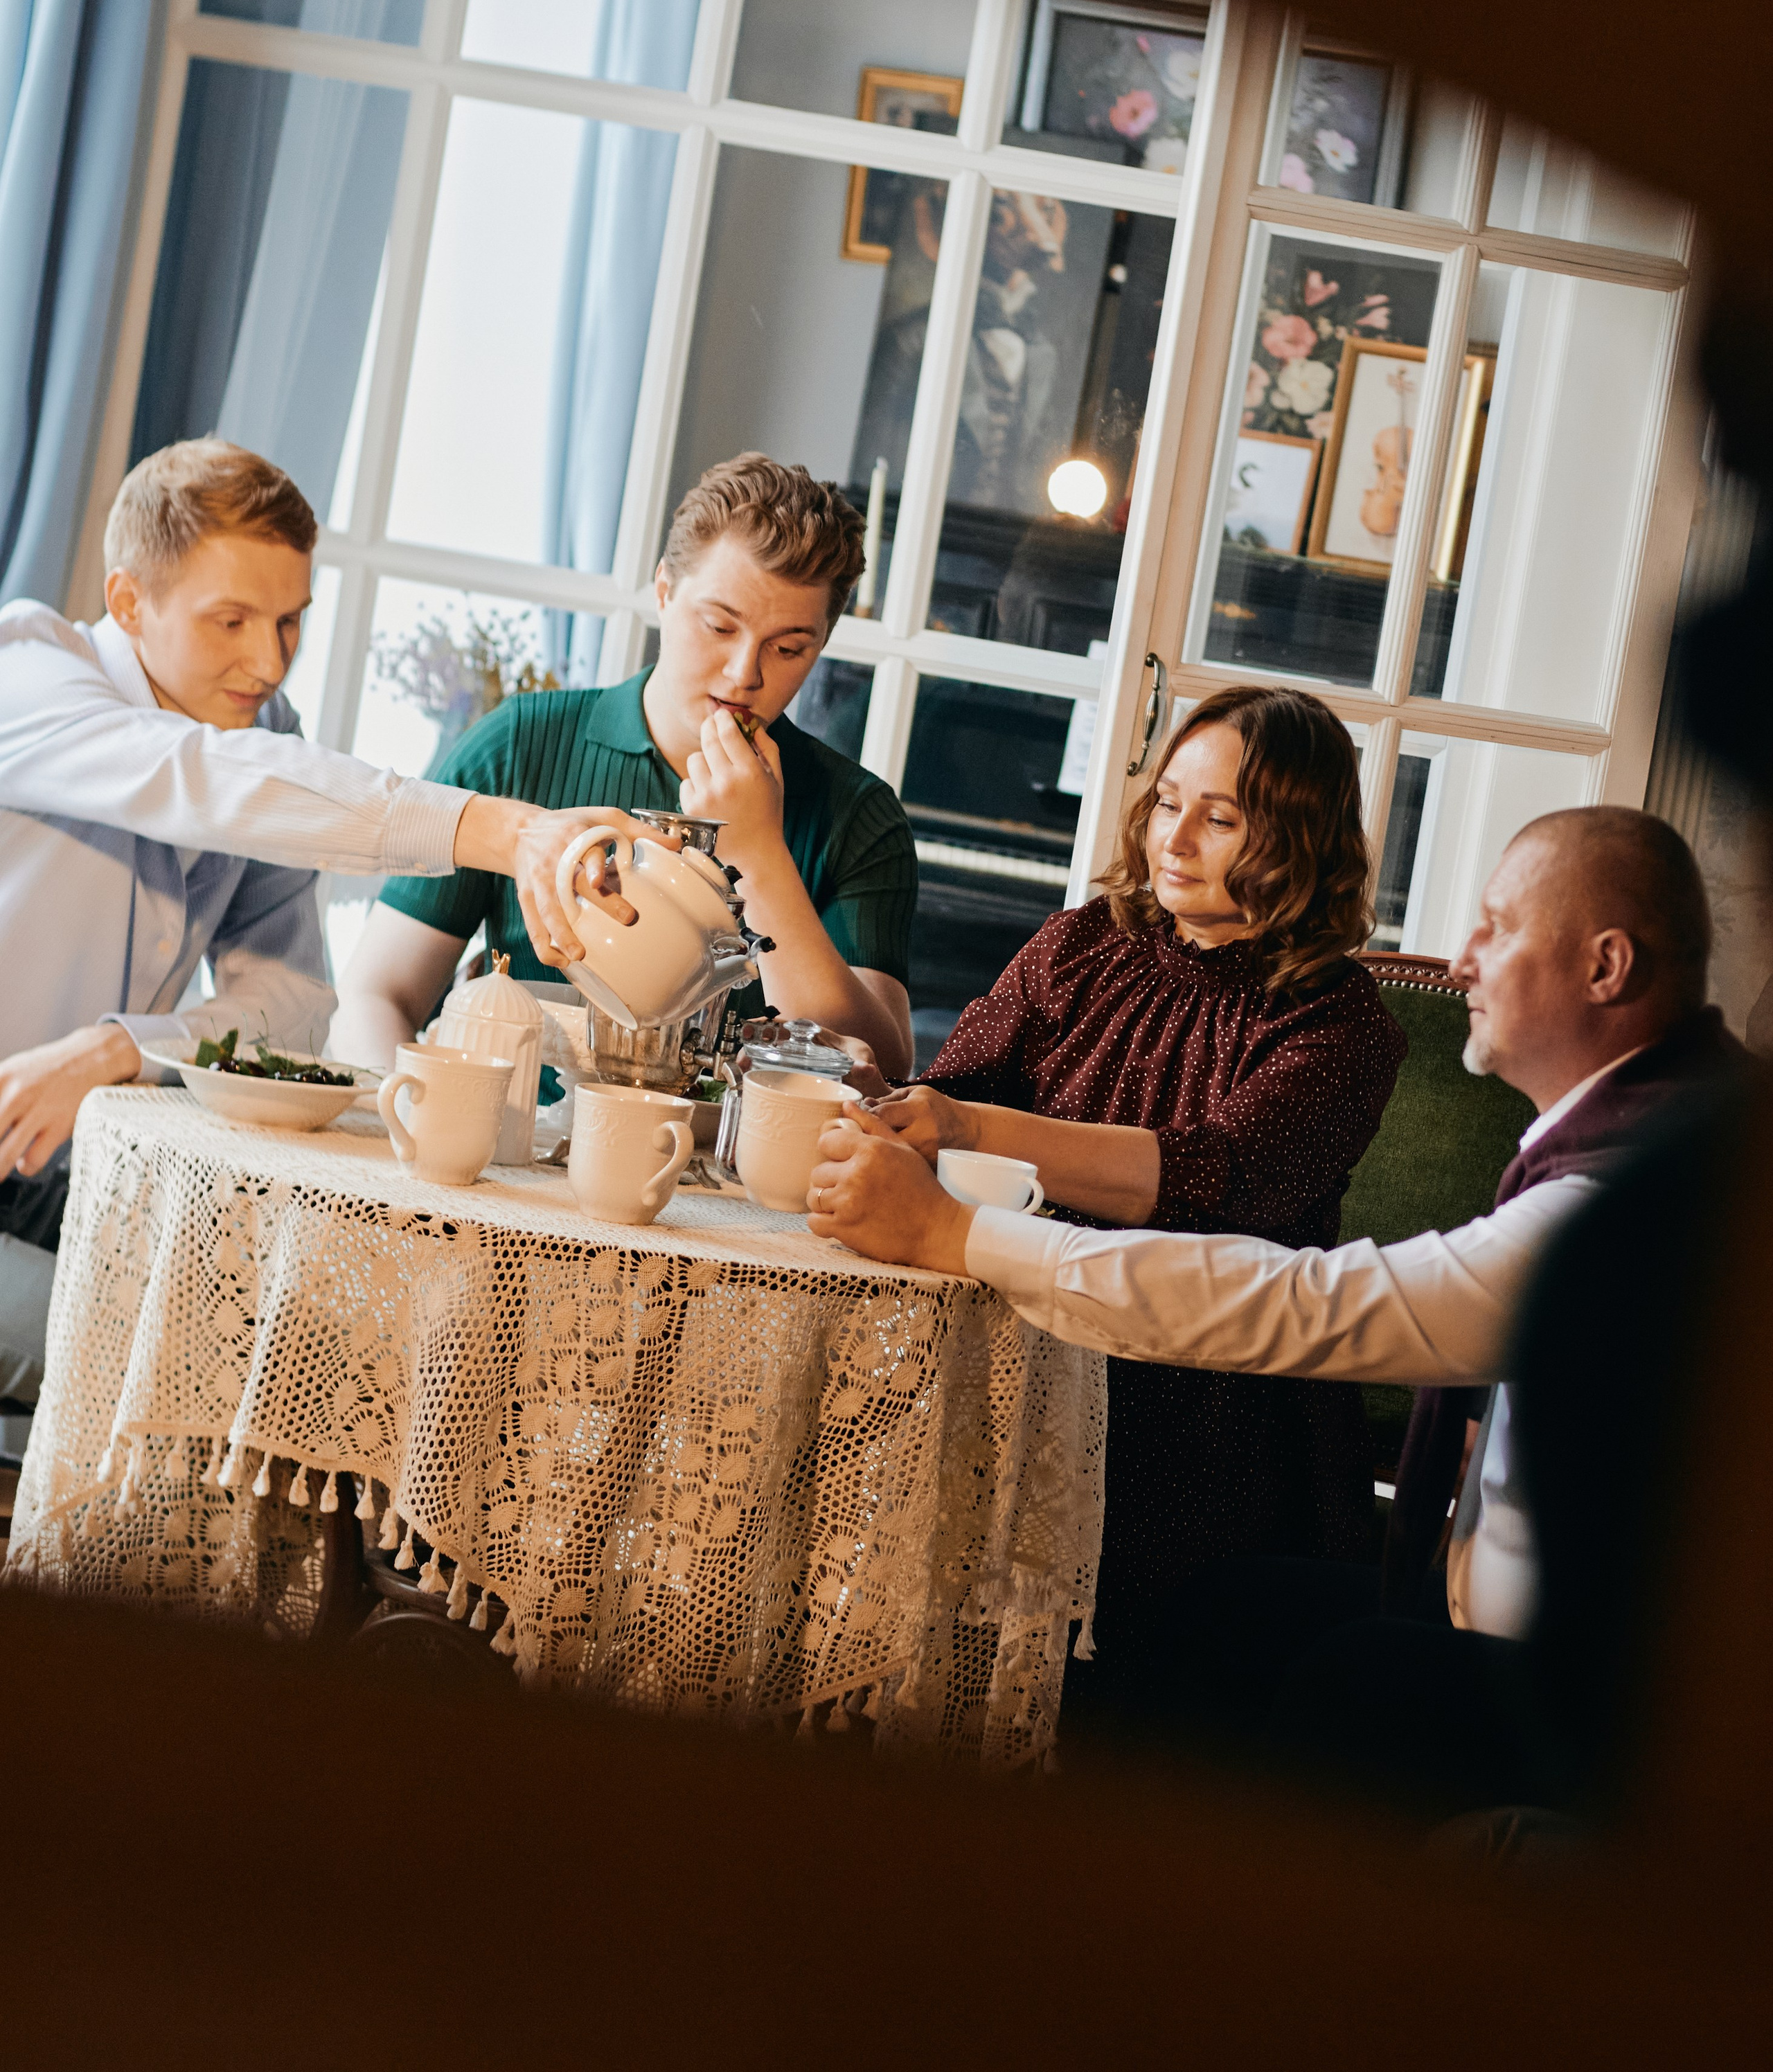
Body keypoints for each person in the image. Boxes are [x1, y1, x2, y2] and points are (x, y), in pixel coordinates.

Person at [809, 806, 1748, 1810]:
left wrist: (957, 1235)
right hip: (1486, 1605)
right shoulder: (1664, 1132)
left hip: (1608, 1690)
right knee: (1217, 1618)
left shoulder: (1649, 1199)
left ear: (1606, 967)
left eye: (1499, 926)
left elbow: (1305, 1304)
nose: (1462, 960)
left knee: (1338, 1684)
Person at [0, 440, 643, 1405]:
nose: (268, 661)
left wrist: (122, 1047)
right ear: (129, 602)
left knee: (326, 1334)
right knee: (185, 1372)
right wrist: (509, 833)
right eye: (231, 621)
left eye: (290, 620)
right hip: (53, 1170)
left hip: (79, 1160)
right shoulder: (30, 673)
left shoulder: (264, 734)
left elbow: (295, 1002)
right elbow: (203, 781)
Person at [867, 684, 1408, 1715]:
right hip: (1016, 1344)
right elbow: (956, 1088)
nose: (1175, 837)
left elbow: (1213, 1178)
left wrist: (967, 1125)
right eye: (1167, 802)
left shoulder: (1341, 1027)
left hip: (1200, 1412)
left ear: (1298, 838)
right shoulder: (1081, 943)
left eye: (1220, 817)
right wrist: (877, 1095)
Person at [332, 456, 918, 1079]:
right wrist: (410, 1110)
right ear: (664, 591)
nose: (745, 673)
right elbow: (378, 995)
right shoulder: (519, 743)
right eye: (720, 626)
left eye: (789, 648)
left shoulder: (859, 816)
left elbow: (878, 1072)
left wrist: (760, 856)